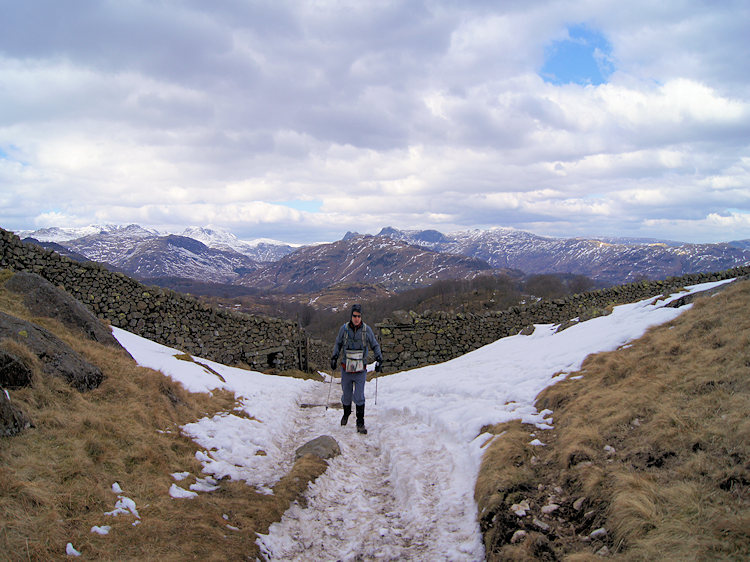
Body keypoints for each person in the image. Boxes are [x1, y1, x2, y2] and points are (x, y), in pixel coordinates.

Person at [330, 304, 383, 434]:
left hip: (360, 370)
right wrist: (334, 356)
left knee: (359, 396)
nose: (357, 318)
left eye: (359, 316)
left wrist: (379, 358)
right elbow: (338, 343)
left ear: (361, 316)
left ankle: (360, 423)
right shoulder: (344, 329)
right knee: (347, 396)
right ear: (351, 316)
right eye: (354, 316)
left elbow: (375, 345)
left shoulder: (366, 330)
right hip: (346, 369)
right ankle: (346, 413)